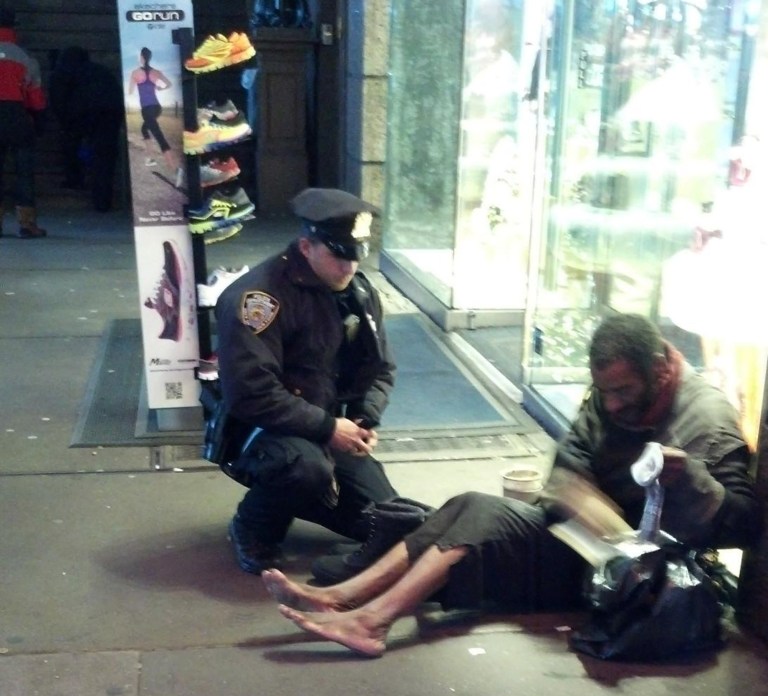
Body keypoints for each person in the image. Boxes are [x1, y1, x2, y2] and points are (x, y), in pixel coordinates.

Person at [261, 312, 762, 657]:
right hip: (590, 545)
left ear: (660, 370)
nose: (610, 404)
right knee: (469, 503)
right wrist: (576, 495)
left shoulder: (706, 418)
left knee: (481, 518)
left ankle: (372, 621)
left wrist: (691, 479)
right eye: (604, 391)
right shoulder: (616, 391)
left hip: (638, 579)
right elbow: (569, 462)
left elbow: (740, 524)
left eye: (623, 391)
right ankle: (347, 597)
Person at [213, 188, 410, 576]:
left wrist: (364, 418)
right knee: (304, 470)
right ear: (306, 246)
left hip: (328, 426)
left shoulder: (357, 291)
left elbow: (381, 367)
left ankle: (312, 489)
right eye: (339, 254)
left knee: (384, 524)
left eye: (358, 254)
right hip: (264, 430)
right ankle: (253, 526)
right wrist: (327, 428)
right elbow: (249, 392)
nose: (349, 267)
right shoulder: (260, 298)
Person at [48, 45, 124, 211]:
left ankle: (75, 180)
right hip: (109, 113)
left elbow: (58, 100)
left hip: (80, 114)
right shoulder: (101, 71)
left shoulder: (62, 72)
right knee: (104, 157)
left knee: (71, 145)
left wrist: (65, 122)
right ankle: (102, 201)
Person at [0, 6, 47, 238]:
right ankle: (27, 225)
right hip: (17, 118)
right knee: (24, 173)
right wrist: (39, 122)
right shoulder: (25, 57)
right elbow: (35, 97)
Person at [126, 47, 182, 186]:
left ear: (141, 57)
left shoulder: (135, 73)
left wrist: (133, 83)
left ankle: (175, 170)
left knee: (159, 137)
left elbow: (130, 91)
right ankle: (150, 158)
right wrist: (160, 88)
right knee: (144, 129)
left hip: (147, 109)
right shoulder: (156, 72)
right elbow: (168, 84)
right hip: (157, 108)